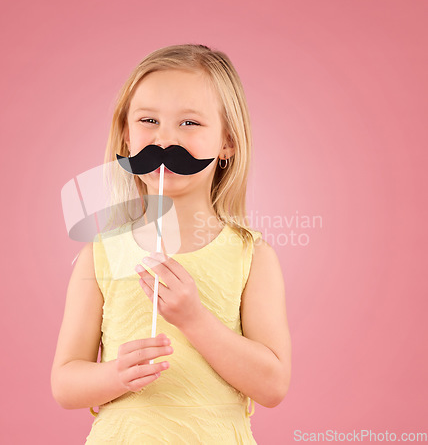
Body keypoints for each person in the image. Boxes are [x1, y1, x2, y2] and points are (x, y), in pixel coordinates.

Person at [51, 44, 291, 444]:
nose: (164, 140)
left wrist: (194, 319)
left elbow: (273, 385)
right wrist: (115, 376)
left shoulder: (253, 256)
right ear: (127, 139)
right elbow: (65, 382)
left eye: (190, 124)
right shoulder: (101, 254)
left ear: (228, 142)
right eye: (148, 120)